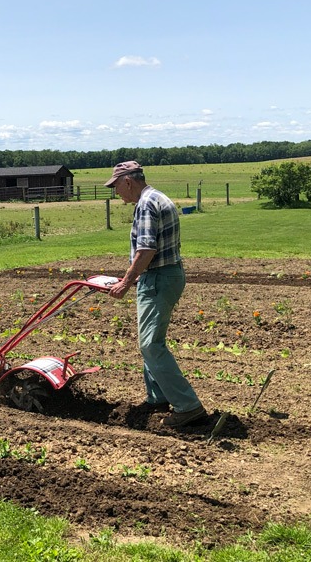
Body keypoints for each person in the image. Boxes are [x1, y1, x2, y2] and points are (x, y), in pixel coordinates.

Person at [104, 161, 207, 427]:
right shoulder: (158, 196)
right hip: (165, 275)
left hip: (158, 278)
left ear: (128, 181)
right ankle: (157, 397)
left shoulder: (146, 204)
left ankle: (188, 406)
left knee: (150, 344)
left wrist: (127, 281)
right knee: (149, 342)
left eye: (116, 186)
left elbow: (146, 250)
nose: (116, 193)